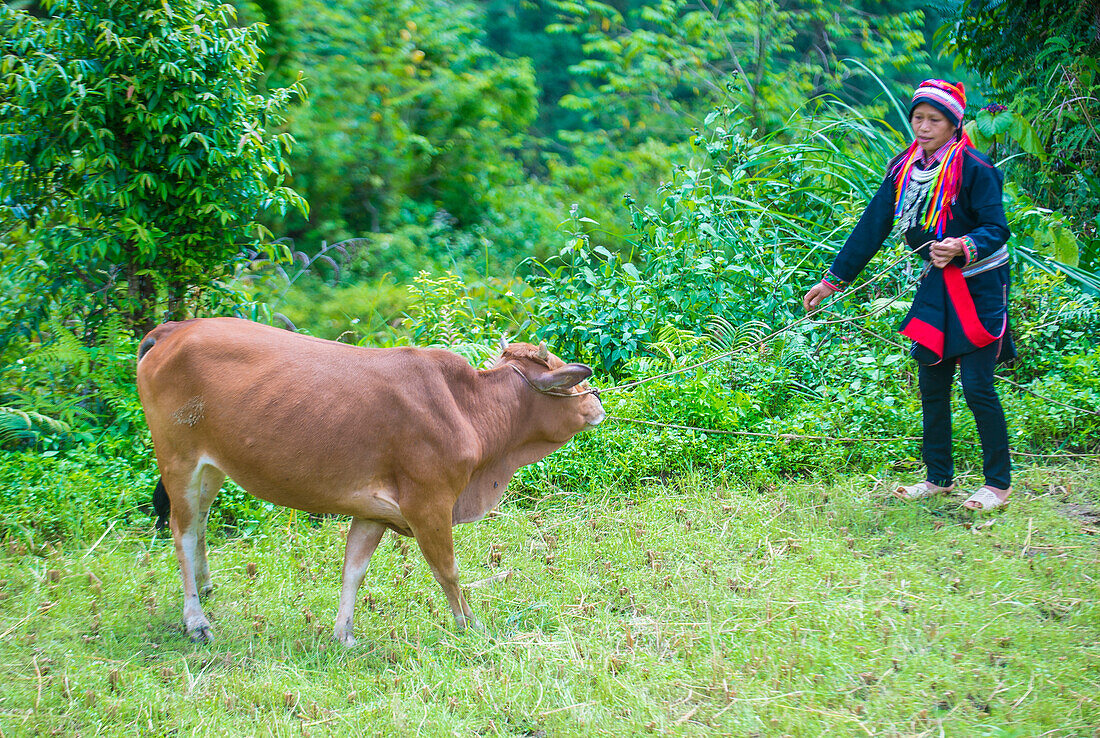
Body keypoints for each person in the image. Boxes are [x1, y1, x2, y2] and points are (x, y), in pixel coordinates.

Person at [802, 80, 1013, 512]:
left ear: (954, 125)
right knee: (932, 381)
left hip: (979, 285)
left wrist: (961, 245)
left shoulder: (976, 168)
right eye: (918, 117)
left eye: (934, 120)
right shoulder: (903, 167)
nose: (924, 126)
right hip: (937, 283)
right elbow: (873, 224)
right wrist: (833, 281)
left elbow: (996, 229)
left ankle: (998, 483)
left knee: (977, 387)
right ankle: (938, 477)